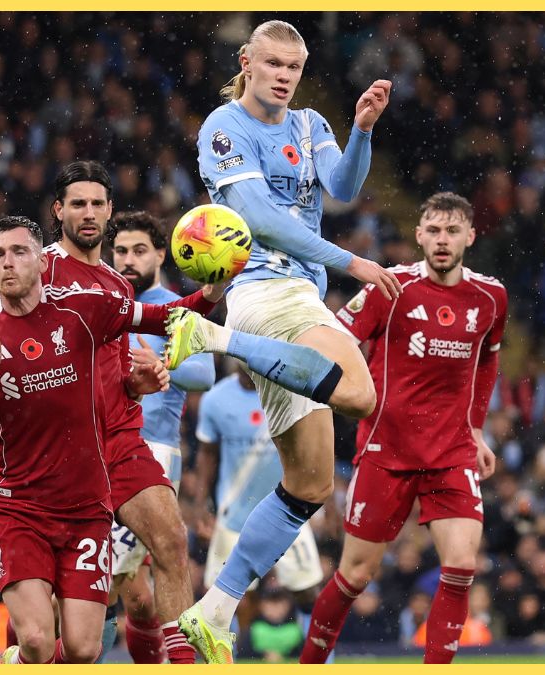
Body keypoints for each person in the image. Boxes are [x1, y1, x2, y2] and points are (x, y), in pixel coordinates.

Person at [175, 19, 400, 662]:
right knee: (358, 392)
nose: (282, 75)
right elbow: (259, 219)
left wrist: (360, 130)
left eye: (293, 68)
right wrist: (350, 263)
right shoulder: (224, 127)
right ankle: (215, 336)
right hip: (264, 290)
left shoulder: (310, 126)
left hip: (299, 297)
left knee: (309, 485)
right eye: (271, 63)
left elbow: (346, 189)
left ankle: (215, 609)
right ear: (246, 61)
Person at [0, 216, 180, 664]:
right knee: (35, 641)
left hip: (85, 509)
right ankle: (16, 661)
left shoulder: (81, 310)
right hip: (19, 506)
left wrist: (213, 293)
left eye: (19, 252)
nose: (8, 263)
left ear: (43, 261)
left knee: (82, 648)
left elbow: (162, 318)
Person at [299, 192, 508, 664]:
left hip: (451, 453)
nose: (442, 240)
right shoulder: (388, 287)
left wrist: (475, 430)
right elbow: (336, 339)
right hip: (386, 450)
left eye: (452, 231)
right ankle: (309, 665)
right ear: (418, 235)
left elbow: (488, 361)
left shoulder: (491, 296)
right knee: (354, 575)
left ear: (470, 237)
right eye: (433, 230)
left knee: (461, 566)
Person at [40, 161, 223, 663]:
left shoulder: (118, 288)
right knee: (85, 613)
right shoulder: (39, 272)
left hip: (126, 443)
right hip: (64, 450)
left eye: (98, 202)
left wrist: (140, 379)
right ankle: (33, 658)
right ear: (59, 211)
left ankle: (181, 666)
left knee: (170, 542)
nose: (89, 212)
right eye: (78, 203)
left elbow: (135, 362)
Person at [104, 211, 217, 662]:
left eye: (139, 251)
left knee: (100, 578)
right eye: (121, 252)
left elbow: (205, 372)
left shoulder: (174, 307)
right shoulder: (106, 304)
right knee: (136, 597)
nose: (128, 261)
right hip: (100, 451)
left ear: (160, 254)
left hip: (152, 451)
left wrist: (162, 361)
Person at [194, 365, 322, 623]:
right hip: (234, 515)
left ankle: (322, 662)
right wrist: (201, 505)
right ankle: (232, 660)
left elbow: (310, 444)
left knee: (307, 591)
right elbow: (207, 453)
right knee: (224, 599)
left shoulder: (287, 391)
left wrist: (314, 496)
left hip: (289, 510)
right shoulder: (215, 399)